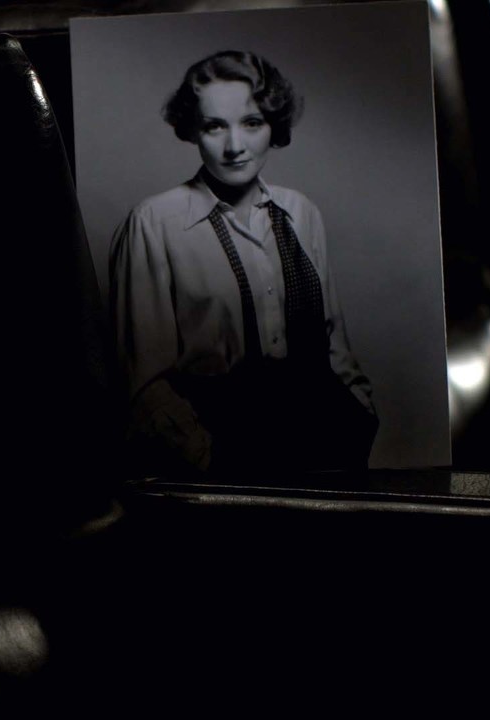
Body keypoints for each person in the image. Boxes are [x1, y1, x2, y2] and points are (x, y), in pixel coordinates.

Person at [110, 50, 377, 475]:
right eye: (215, 126)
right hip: (223, 459)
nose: (235, 147)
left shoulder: (301, 212)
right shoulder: (153, 223)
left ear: (273, 125)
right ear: (193, 130)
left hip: (326, 454)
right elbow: (143, 381)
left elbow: (334, 347)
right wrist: (208, 461)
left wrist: (360, 417)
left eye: (252, 123)